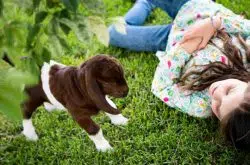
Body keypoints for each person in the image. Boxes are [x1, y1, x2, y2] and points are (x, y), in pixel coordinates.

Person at [108, 0, 250, 151]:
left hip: (172, 37)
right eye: (229, 91)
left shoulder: (201, 106)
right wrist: (213, 24)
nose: (216, 95)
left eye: (219, 108)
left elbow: (162, 86)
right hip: (195, 9)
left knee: (113, 33)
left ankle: (144, 4)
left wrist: (185, 48)